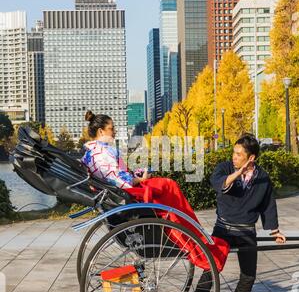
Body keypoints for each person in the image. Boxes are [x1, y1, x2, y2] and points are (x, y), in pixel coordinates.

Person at [81, 110, 229, 273]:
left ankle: (191, 231)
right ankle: (194, 236)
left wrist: (138, 175)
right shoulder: (101, 153)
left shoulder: (93, 152)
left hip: (120, 191)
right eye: (112, 128)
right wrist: (140, 179)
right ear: (101, 131)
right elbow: (119, 179)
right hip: (128, 192)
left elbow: (116, 175)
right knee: (168, 185)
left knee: (165, 184)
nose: (115, 131)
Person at [184, 134, 286, 292]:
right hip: (223, 228)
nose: (234, 156)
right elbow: (219, 184)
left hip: (247, 230)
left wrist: (274, 230)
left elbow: (268, 205)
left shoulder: (262, 177)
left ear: (251, 158)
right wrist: (238, 173)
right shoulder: (225, 168)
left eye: (239, 154)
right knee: (210, 271)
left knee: (248, 276)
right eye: (234, 152)